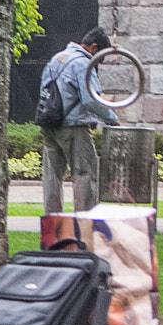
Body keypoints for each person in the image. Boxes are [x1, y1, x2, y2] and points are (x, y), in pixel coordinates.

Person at [38, 26, 119, 213]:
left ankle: (52, 223)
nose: (99, 62)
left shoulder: (57, 58)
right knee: (85, 174)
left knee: (52, 177)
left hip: (49, 123)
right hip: (73, 126)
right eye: (101, 56)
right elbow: (91, 99)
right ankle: (86, 222)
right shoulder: (83, 63)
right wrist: (111, 118)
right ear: (94, 48)